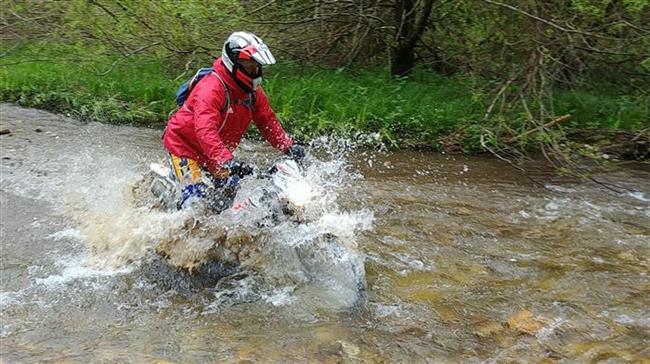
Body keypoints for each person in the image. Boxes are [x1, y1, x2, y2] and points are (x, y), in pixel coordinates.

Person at [162, 31, 305, 210]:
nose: (255, 71)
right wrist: (226, 160)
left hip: (215, 153)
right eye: (250, 65)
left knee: (227, 197)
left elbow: (267, 121)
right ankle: (170, 209)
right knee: (195, 207)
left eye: (257, 66)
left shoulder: (253, 93)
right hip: (184, 147)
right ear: (234, 62)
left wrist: (288, 146)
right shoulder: (211, 89)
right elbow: (205, 130)